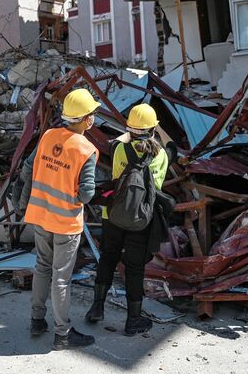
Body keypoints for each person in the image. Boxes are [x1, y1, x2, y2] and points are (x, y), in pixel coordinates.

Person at [19, 88, 100, 350]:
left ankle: (36, 320)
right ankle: (63, 334)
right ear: (85, 119)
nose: (94, 118)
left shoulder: (48, 136)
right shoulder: (87, 149)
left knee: (42, 267)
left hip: (40, 217)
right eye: (92, 114)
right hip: (65, 222)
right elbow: (86, 194)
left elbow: (28, 168)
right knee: (61, 278)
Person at [86, 103, 169, 336]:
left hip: (112, 215)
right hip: (141, 218)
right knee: (134, 268)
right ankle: (133, 320)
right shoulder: (161, 155)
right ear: (153, 128)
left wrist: (131, 132)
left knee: (108, 258)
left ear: (130, 128)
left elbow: (124, 144)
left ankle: (96, 308)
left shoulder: (119, 149)